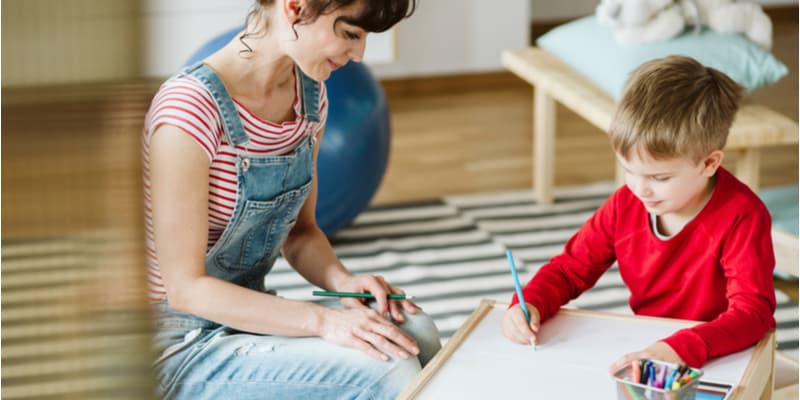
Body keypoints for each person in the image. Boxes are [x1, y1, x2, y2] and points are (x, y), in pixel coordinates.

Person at [143, 0, 441, 398]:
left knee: (416, 334)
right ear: (295, 7)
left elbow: (301, 233)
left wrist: (344, 283)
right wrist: (322, 321)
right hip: (178, 346)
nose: (359, 54)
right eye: (350, 33)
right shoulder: (188, 110)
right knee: (386, 371)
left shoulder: (310, 97)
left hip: (247, 317)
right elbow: (186, 289)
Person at [500, 55, 776, 371]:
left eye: (660, 178)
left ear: (709, 163)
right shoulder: (625, 204)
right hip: (654, 351)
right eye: (629, 170)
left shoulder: (743, 216)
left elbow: (753, 314)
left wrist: (679, 349)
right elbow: (570, 269)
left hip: (723, 354)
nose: (640, 189)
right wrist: (530, 303)